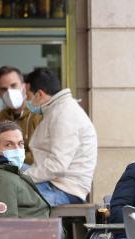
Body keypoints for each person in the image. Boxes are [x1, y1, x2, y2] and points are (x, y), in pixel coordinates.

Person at [23, 67, 97, 206]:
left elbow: (57, 166)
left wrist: (24, 177)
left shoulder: (64, 114)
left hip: (65, 189)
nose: (27, 100)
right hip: (54, 182)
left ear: (39, 94)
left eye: (27, 95)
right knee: (5, 174)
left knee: (10, 196)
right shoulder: (56, 109)